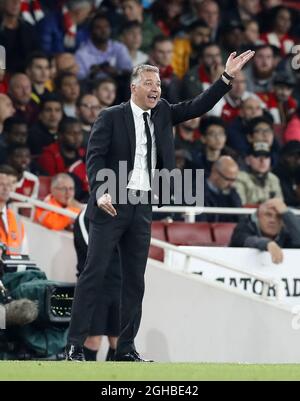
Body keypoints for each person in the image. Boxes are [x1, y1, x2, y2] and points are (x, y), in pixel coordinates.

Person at [66, 50, 255, 362]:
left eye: (159, 85)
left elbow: (198, 106)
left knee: (135, 280)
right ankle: (74, 346)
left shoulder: (164, 111)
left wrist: (226, 78)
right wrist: (100, 191)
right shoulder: (110, 117)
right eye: (150, 83)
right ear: (134, 87)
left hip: (142, 205)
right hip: (111, 201)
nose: (156, 89)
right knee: (94, 274)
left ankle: (125, 349)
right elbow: (95, 158)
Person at [73, 207, 121, 361]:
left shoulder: (125, 212)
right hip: (94, 286)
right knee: (93, 340)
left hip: (120, 284)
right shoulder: (85, 215)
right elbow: (94, 249)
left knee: (118, 341)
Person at [230, 198, 300, 264]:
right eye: (268, 215)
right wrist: (267, 243)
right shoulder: (244, 227)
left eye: (279, 216)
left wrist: (286, 213)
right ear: (257, 217)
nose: (273, 220)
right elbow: (247, 240)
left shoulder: (286, 233)